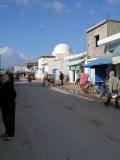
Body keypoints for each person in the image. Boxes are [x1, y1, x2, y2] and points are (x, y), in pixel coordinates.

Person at [0, 74, 17, 141]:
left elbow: (14, 95)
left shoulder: (9, 85)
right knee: (5, 120)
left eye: (3, 78)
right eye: (1, 78)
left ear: (6, 79)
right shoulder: (1, 85)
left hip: (9, 107)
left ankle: (11, 134)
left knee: (10, 121)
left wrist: (7, 102)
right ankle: (7, 132)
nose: (2, 79)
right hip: (3, 106)